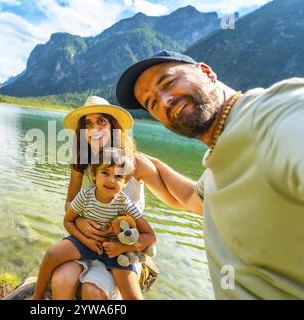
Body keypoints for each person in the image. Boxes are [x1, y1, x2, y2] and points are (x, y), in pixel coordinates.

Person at [115, 50, 304, 299]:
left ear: (206, 72)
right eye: (151, 104)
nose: (164, 101)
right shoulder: (219, 164)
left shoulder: (275, 113)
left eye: (168, 82)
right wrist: (151, 165)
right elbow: (191, 198)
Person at [51, 96, 175, 300]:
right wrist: (79, 221)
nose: (94, 129)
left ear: (114, 127)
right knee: (60, 279)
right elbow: (69, 203)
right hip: (87, 240)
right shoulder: (81, 162)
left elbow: (173, 199)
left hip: (123, 247)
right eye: (88, 123)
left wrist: (157, 164)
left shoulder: (136, 163)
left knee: (94, 292)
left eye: (101, 121)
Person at [32, 149, 156, 300]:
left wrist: (122, 247)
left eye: (118, 176)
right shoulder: (85, 195)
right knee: (52, 254)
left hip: (115, 250)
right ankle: (37, 296)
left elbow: (150, 236)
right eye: (105, 173)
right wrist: (87, 241)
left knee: (133, 296)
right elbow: (68, 220)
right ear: (94, 174)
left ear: (126, 181)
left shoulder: (125, 203)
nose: (111, 180)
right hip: (85, 241)